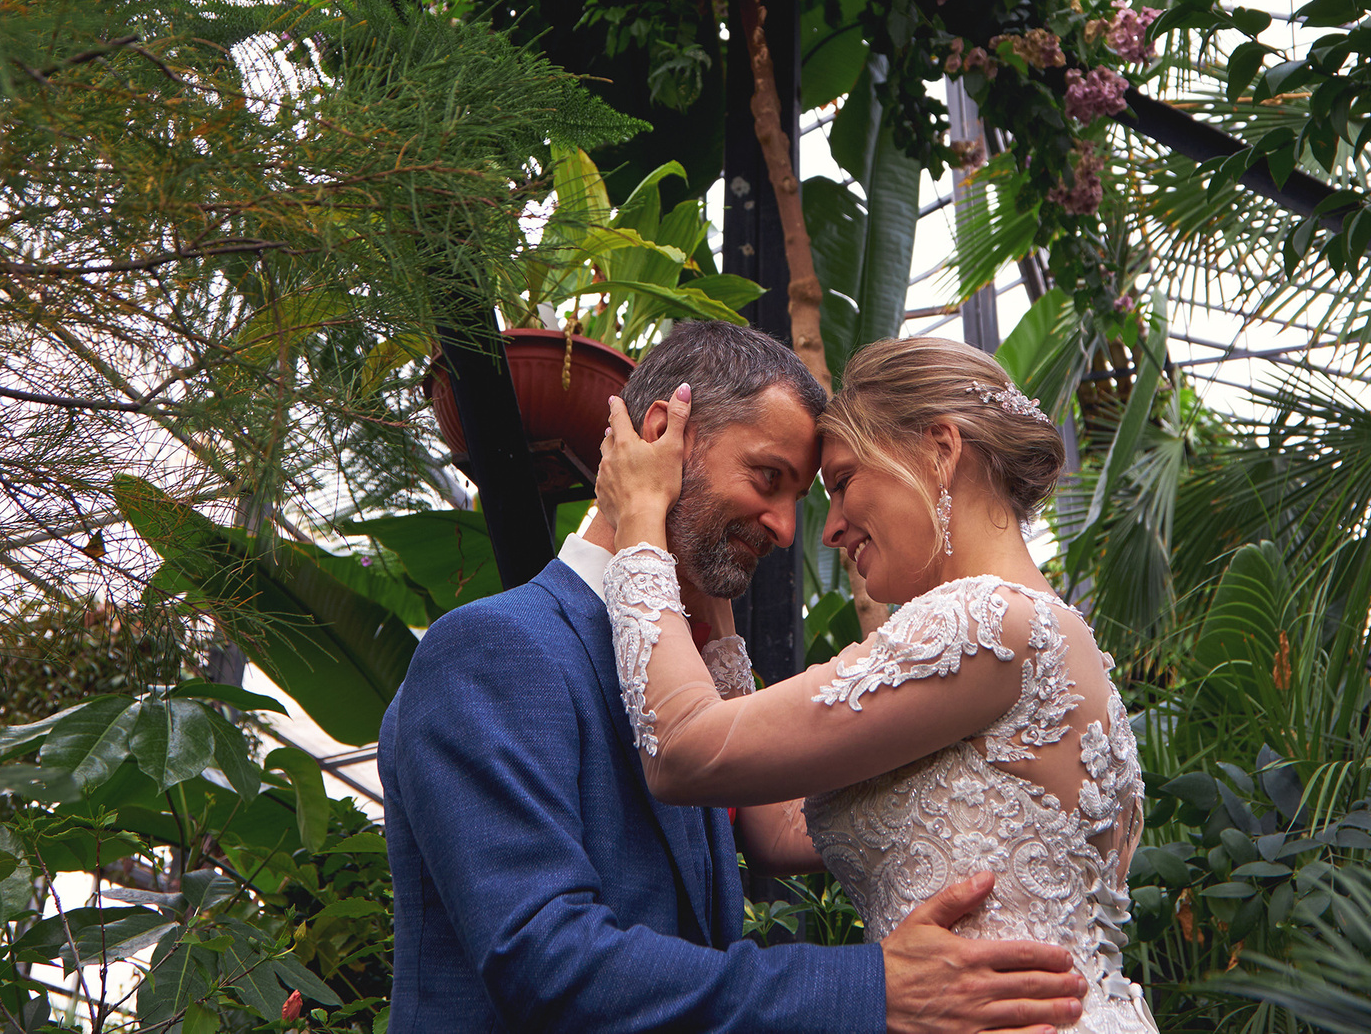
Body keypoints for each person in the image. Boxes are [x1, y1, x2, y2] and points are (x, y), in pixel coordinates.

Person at [378, 320, 1094, 1034]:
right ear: (664, 434)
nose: (789, 529)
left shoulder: (682, 681)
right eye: (768, 479)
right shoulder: (496, 647)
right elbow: (547, 962)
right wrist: (868, 986)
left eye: (814, 493)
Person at [593, 335, 1158, 1034]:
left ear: (940, 448)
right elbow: (775, 826)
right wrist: (713, 593)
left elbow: (681, 748)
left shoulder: (983, 621)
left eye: (842, 481)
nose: (827, 528)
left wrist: (644, 516)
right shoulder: (1039, 633)